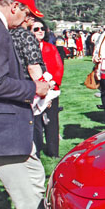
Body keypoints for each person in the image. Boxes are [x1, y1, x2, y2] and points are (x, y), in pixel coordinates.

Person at [0, 0, 50, 209]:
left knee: (35, 174)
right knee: (27, 188)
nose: (26, 20)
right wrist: (33, 87)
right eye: (25, 13)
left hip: (5, 123)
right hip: (2, 126)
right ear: (14, 6)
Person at [32, 20, 64, 157]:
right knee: (36, 123)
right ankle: (36, 150)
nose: (40, 31)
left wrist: (52, 84)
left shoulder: (50, 48)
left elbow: (58, 68)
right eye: (36, 29)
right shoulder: (26, 48)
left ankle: (53, 151)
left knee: (52, 122)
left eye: (42, 28)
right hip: (34, 92)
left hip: (51, 89)